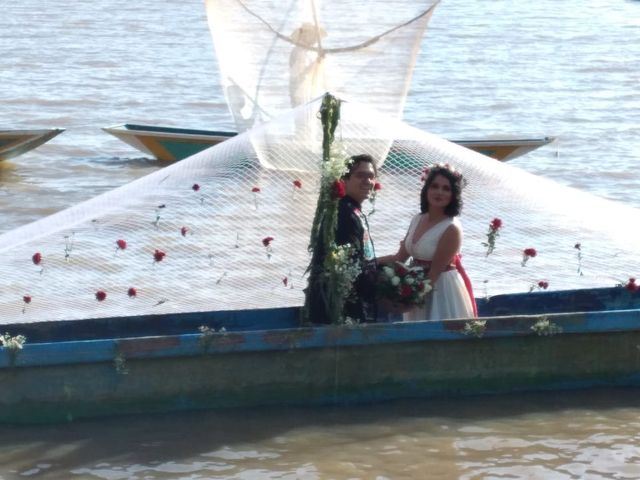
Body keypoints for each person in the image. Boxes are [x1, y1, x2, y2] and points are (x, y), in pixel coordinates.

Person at [379, 164, 477, 321]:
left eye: (446, 189)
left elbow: (434, 274)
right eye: (435, 186)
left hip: (440, 290)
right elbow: (399, 258)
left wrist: (409, 303)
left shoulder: (451, 228)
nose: (439, 192)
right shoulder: (417, 218)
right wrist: (368, 263)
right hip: (416, 287)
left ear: (454, 195)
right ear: (427, 190)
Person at [304, 154, 378, 324]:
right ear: (344, 179)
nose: (367, 181)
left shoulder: (353, 210)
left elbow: (362, 258)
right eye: (360, 175)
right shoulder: (343, 214)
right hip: (342, 309)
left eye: (371, 176)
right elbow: (349, 266)